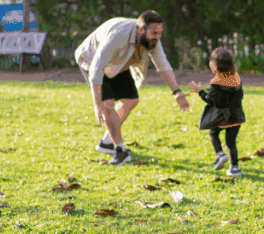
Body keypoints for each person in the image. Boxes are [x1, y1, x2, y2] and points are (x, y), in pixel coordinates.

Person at [75, 10, 190, 165]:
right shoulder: (118, 35)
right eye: (154, 33)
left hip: (118, 63)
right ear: (140, 30)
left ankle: (107, 142)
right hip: (92, 60)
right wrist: (97, 103)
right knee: (107, 105)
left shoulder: (152, 39)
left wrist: (177, 92)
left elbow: (162, 64)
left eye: (160, 33)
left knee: (131, 100)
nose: (158, 37)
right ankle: (120, 151)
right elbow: (97, 67)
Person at [188, 48, 246, 177]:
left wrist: (200, 91)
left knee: (213, 134)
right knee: (231, 143)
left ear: (215, 66)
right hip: (236, 116)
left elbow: (211, 101)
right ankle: (235, 168)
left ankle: (220, 154)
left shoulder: (215, 82)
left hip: (222, 118)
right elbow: (240, 95)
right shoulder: (236, 78)